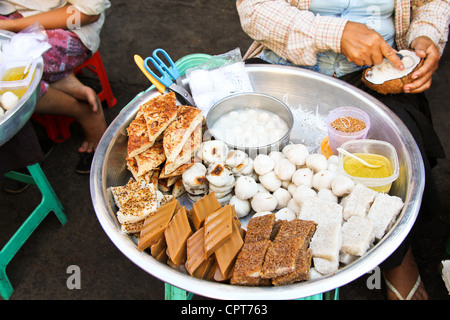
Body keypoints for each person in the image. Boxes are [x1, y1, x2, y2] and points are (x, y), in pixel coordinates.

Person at [237, 0, 449, 300]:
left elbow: (432, 4)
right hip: (287, 67)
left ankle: (398, 256)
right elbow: (253, 9)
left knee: (399, 158)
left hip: (378, 75)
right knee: (242, 144)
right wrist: (333, 33)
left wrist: (425, 35)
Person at [0, 0, 111, 175]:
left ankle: (82, 111)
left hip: (68, 27)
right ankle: (63, 80)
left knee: (11, 78)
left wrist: (11, 26)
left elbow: (89, 13)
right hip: (12, 17)